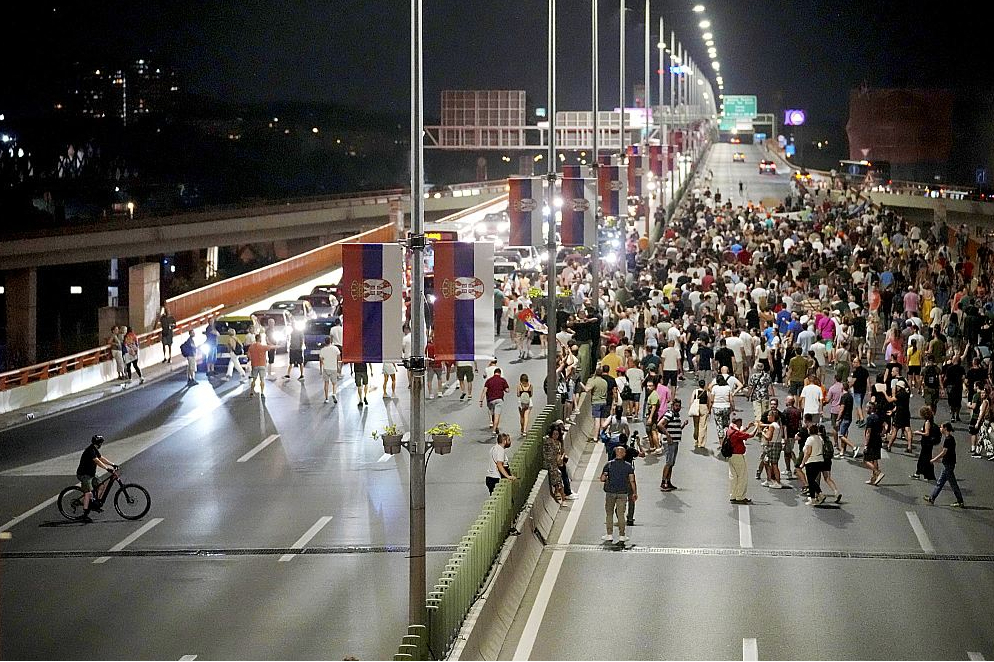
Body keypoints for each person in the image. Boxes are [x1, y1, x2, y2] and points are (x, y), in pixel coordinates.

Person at [75, 435, 118, 522]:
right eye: (101, 443)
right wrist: (107, 468)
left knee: (101, 486)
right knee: (88, 493)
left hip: (91, 474)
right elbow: (97, 461)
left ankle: (94, 503)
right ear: (99, 443)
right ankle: (85, 514)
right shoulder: (90, 450)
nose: (101, 444)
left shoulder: (94, 449)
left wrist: (112, 464)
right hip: (84, 474)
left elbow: (101, 458)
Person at [600, 446, 637, 544]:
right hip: (623, 493)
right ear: (624, 454)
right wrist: (634, 493)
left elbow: (602, 478)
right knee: (621, 514)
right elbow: (632, 480)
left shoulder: (608, 465)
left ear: (615, 453)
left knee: (609, 513)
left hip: (610, 492)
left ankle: (609, 534)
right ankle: (622, 535)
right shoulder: (629, 466)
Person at [923, 422, 965, 507]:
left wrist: (934, 459)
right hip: (948, 464)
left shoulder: (948, 440)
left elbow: (944, 452)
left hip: (948, 465)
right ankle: (932, 498)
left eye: (941, 427)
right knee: (942, 482)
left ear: (945, 428)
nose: (940, 429)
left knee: (950, 484)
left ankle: (960, 501)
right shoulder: (950, 438)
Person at [726, 416, 757, 504]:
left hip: (731, 456)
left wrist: (747, 427)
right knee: (742, 476)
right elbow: (751, 435)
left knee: (733, 476)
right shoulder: (736, 433)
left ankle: (733, 495)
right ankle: (740, 496)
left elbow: (740, 434)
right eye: (740, 423)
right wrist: (756, 427)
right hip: (738, 456)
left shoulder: (730, 431)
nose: (741, 425)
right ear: (737, 423)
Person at [659, 398, 688, 491]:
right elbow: (660, 424)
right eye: (676, 406)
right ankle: (663, 482)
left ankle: (668, 481)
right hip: (669, 443)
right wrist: (668, 436)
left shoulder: (676, 415)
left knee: (671, 463)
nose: (678, 407)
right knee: (668, 462)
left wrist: (683, 425)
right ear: (672, 406)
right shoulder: (669, 414)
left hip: (675, 442)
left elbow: (677, 429)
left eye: (679, 406)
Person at [798, 423, 827, 505]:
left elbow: (808, 453)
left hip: (811, 461)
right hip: (820, 461)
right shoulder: (820, 438)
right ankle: (816, 496)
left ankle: (816, 497)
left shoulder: (810, 439)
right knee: (812, 480)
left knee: (811, 481)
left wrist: (802, 463)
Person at [912, 405, 939, 481]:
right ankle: (925, 474)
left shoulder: (927, 422)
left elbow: (927, 433)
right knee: (926, 458)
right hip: (928, 443)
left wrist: (918, 433)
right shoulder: (931, 419)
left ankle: (922, 474)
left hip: (926, 442)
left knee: (924, 458)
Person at [480, 367, 510, 436]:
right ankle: (494, 430)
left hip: (490, 400)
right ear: (500, 373)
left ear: (494, 373)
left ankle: (494, 426)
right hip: (499, 400)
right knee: (497, 416)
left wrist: (481, 400)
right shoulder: (502, 380)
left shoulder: (489, 380)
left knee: (493, 414)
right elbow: (507, 390)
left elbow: (484, 391)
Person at [247, 333, 278, 397]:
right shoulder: (263, 347)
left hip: (254, 365)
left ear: (255, 339)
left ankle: (251, 392)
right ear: (260, 339)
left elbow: (248, 355)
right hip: (262, 365)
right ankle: (262, 392)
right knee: (262, 380)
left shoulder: (251, 347)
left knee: (254, 380)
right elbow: (272, 347)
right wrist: (278, 345)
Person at [542, 424, 566, 503]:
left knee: (560, 477)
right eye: (554, 434)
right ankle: (559, 493)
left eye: (557, 434)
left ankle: (561, 495)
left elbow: (561, 452)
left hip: (557, 463)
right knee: (557, 476)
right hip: (550, 463)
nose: (555, 436)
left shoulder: (558, 443)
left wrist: (561, 458)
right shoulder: (548, 441)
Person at [863, 402, 885, 486]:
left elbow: (868, 432)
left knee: (866, 460)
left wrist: (865, 445)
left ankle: (877, 472)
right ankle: (873, 478)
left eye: (867, 408)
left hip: (871, 441)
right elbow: (885, 426)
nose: (865, 409)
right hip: (878, 440)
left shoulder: (870, 418)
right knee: (874, 459)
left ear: (870, 409)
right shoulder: (878, 416)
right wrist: (882, 433)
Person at [318, 336, 341, 404]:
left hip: (326, 368)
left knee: (326, 383)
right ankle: (334, 393)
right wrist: (338, 367)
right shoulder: (335, 348)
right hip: (333, 368)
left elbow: (321, 360)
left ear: (325, 342)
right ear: (331, 341)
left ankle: (326, 398)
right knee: (334, 383)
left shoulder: (322, 350)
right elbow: (339, 358)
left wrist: (320, 369)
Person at [689, 378, 711, 449]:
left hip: (696, 407)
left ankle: (696, 437)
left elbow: (691, 400)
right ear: (704, 385)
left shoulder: (695, 391)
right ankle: (701, 443)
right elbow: (709, 402)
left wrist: (691, 408)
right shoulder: (707, 392)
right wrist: (709, 410)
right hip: (704, 407)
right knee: (703, 426)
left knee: (696, 424)